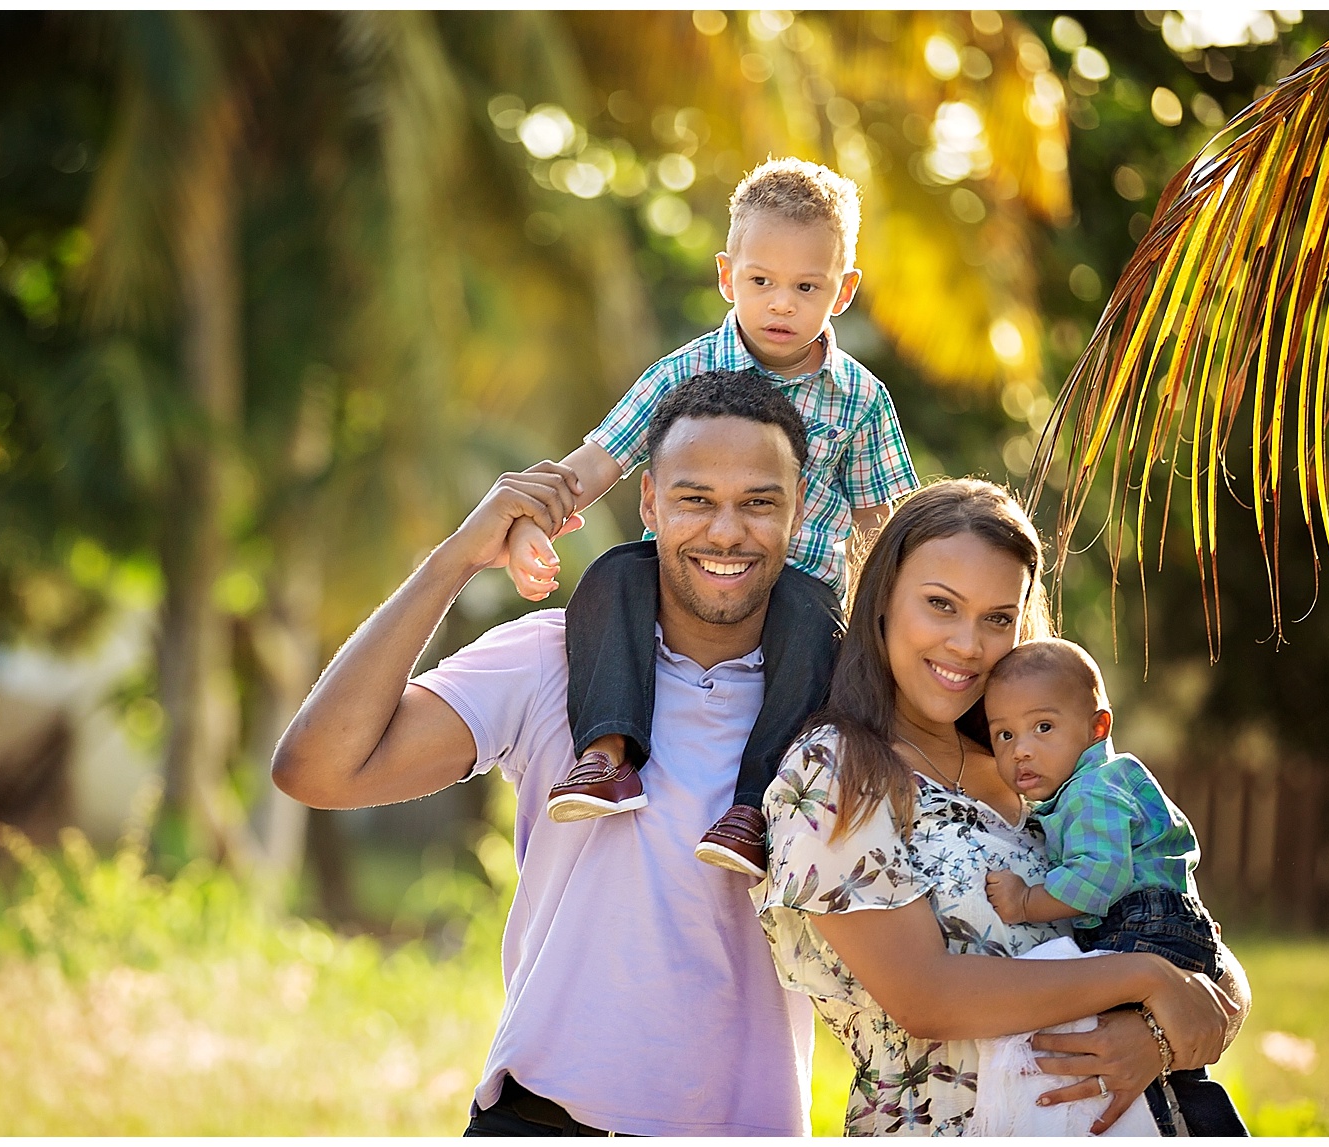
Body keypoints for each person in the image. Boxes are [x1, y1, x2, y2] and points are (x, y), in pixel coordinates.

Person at [273, 372, 828, 1135]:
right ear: (649, 504)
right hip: (545, 1117)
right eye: (695, 497)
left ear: (796, 512)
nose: (726, 531)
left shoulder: (839, 704)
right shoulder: (549, 660)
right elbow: (316, 768)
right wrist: (453, 560)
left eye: (758, 502)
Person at [752, 478, 1249, 1136]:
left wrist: (1153, 1035)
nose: (967, 644)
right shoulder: (836, 772)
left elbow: (1197, 946)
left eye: (996, 617)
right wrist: (1143, 977)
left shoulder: (1039, 769)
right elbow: (923, 995)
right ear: (881, 602)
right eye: (940, 605)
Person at [502, 157, 918, 879]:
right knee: (610, 575)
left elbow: (885, 521)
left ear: (842, 291)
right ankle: (606, 757)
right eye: (761, 282)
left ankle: (750, 808)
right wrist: (534, 517)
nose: (780, 303)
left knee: (814, 618)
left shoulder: (859, 397)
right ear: (727, 277)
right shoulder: (682, 373)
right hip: (682, 577)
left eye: (805, 286)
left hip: (793, 587)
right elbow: (602, 458)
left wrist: (900, 623)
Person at [977, 638, 1245, 1135]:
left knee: (1125, 1058)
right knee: (1181, 1070)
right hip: (1168, 922)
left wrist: (1026, 901)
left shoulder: (1091, 791)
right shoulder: (1100, 783)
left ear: (1097, 726)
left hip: (1143, 923)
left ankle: (1156, 1128)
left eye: (1043, 727)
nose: (1023, 749)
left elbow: (1100, 878)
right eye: (1005, 735)